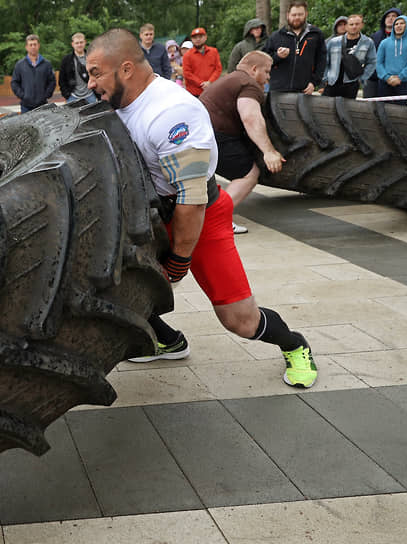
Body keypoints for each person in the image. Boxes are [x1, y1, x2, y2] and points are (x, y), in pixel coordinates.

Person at [86, 28, 317, 388]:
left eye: (96, 73)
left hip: (199, 214)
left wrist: (178, 261)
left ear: (126, 69)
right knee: (104, 282)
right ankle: (167, 341)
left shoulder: (170, 112)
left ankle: (294, 345)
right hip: (152, 211)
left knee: (240, 320)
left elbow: (190, 201)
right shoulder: (122, 101)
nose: (90, 83)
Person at [200, 51, 284, 234]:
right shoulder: (248, 84)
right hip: (215, 135)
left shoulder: (231, 79)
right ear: (254, 69)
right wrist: (268, 151)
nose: (268, 78)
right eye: (267, 72)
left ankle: (206, 218)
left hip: (199, 133)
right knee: (249, 174)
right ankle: (216, 219)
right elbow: (251, 118)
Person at [262, 1, 326, 94]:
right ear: (288, 15)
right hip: (278, 90)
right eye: (294, 15)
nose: (297, 17)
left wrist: (313, 83)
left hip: (304, 90)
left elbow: (321, 61)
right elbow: (264, 60)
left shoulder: (316, 34)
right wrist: (278, 56)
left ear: (306, 14)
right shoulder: (276, 36)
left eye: (300, 14)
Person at [323, 14, 377, 99]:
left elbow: (372, 62)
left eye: (357, 24)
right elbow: (324, 61)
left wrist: (362, 78)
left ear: (362, 25)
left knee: (346, 111)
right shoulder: (333, 42)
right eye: (351, 24)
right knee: (326, 109)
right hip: (332, 82)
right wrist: (325, 78)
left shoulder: (368, 42)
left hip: (351, 83)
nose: (354, 27)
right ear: (347, 26)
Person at [11, 34, 56, 113]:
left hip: (43, 105)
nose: (33, 47)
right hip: (26, 106)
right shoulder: (20, 65)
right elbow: (14, 82)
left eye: (35, 44)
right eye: (30, 45)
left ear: (38, 45)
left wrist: (46, 95)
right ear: (26, 47)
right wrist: (23, 96)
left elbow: (52, 81)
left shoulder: (46, 64)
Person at [375, 15, 407, 105]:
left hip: (403, 81)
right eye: (396, 24)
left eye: (402, 23)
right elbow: (378, 62)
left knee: (401, 110)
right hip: (385, 81)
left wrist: (400, 77)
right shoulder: (385, 42)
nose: (398, 26)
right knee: (383, 109)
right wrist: (386, 77)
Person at [366, 8, 403, 97]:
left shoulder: (406, 38)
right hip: (374, 79)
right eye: (388, 16)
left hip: (396, 80)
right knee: (370, 108)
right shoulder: (374, 37)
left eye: (394, 16)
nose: (390, 18)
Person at [182, 27, 223, 97]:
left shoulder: (214, 51)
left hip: (212, 90)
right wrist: (202, 83)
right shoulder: (187, 55)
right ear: (192, 39)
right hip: (194, 93)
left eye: (200, 36)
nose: (198, 39)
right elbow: (187, 73)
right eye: (195, 37)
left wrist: (210, 82)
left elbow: (218, 69)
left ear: (205, 37)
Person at [59, 32, 97, 104]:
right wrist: (67, 95)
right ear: (72, 44)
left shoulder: (92, 57)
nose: (79, 45)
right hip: (73, 96)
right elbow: (62, 80)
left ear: (85, 42)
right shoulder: (66, 60)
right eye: (77, 43)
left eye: (81, 42)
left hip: (90, 95)